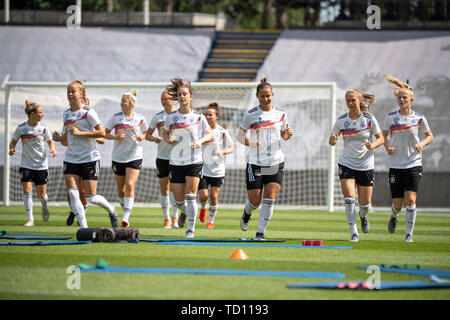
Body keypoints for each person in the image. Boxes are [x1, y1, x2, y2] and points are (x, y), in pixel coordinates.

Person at [52, 79, 118, 228]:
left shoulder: (88, 112)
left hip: (89, 158)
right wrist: (59, 138)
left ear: (81, 93)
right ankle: (84, 228)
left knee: (92, 197)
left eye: (73, 91)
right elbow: (67, 140)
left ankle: (112, 210)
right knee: (73, 192)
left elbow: (101, 133)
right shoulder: (66, 114)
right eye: (68, 91)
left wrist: (80, 133)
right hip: (71, 158)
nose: (70, 94)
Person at [237, 78, 293, 240]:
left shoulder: (281, 114)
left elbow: (284, 135)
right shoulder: (250, 115)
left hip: (275, 162)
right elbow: (239, 137)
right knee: (254, 201)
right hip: (255, 163)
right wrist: (250, 142)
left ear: (272, 95)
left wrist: (287, 135)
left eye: (268, 95)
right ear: (257, 96)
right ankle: (247, 213)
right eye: (262, 96)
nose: (266, 99)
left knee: (270, 197)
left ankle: (260, 233)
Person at [382, 76, 434, 242]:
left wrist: (423, 144)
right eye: (400, 97)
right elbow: (383, 136)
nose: (402, 100)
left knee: (411, 199)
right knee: (398, 204)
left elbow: (430, 136)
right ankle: (394, 215)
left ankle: (409, 235)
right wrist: (387, 147)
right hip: (396, 165)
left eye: (405, 97)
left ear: (411, 99)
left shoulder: (419, 118)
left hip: (413, 164)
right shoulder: (390, 117)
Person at [329, 89, 384, 242]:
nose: (350, 103)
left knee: (365, 204)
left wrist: (372, 145)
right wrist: (333, 140)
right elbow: (332, 139)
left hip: (366, 165)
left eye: (353, 100)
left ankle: (363, 216)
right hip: (346, 164)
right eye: (348, 100)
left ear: (360, 100)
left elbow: (381, 139)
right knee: (349, 199)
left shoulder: (369, 119)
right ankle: (354, 232)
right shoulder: (341, 120)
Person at [163, 78, 213, 238]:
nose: (182, 97)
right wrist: (167, 138)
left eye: (185, 94)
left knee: (191, 195)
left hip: (194, 161)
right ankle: (186, 213)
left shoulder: (199, 117)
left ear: (190, 96)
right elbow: (165, 133)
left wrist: (200, 141)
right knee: (179, 201)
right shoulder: (171, 117)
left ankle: (190, 229)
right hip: (176, 162)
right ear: (177, 98)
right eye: (179, 95)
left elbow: (209, 134)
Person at [9, 100, 58, 226]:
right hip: (26, 165)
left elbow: (50, 141)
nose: (43, 115)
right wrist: (12, 148)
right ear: (32, 114)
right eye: (40, 112)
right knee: (27, 190)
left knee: (41, 195)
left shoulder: (43, 128)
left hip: (41, 166)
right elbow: (13, 142)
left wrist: (52, 149)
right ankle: (30, 219)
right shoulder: (21, 128)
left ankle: (44, 205)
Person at [105, 90, 148, 227]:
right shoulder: (116, 117)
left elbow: (146, 132)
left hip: (135, 155)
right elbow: (105, 133)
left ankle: (125, 217)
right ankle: (124, 207)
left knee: (130, 185)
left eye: (124, 100)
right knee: (121, 190)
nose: (121, 102)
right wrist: (115, 137)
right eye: (121, 100)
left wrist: (142, 137)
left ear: (131, 103)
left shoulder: (140, 118)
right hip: (118, 156)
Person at [146, 89, 179, 229]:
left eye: (166, 98)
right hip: (162, 157)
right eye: (162, 99)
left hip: (178, 157)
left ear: (173, 100)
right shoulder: (157, 117)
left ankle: (175, 218)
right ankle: (167, 219)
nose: (164, 101)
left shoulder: (180, 115)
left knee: (176, 189)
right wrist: (155, 139)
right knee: (164, 188)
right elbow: (147, 135)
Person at [198, 102, 234, 229]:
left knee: (213, 196)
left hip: (218, 169)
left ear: (216, 116)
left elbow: (231, 148)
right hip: (203, 168)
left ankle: (210, 221)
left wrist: (222, 152)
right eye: (206, 114)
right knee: (203, 196)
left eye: (210, 115)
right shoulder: (202, 131)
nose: (208, 117)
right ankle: (202, 208)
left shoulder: (222, 132)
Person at [57, 133, 104, 225]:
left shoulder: (90, 124)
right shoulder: (70, 123)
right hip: (73, 160)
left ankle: (82, 213)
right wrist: (60, 139)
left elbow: (102, 140)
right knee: (71, 191)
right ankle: (73, 211)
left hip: (88, 160)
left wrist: (87, 135)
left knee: (83, 192)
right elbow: (66, 143)